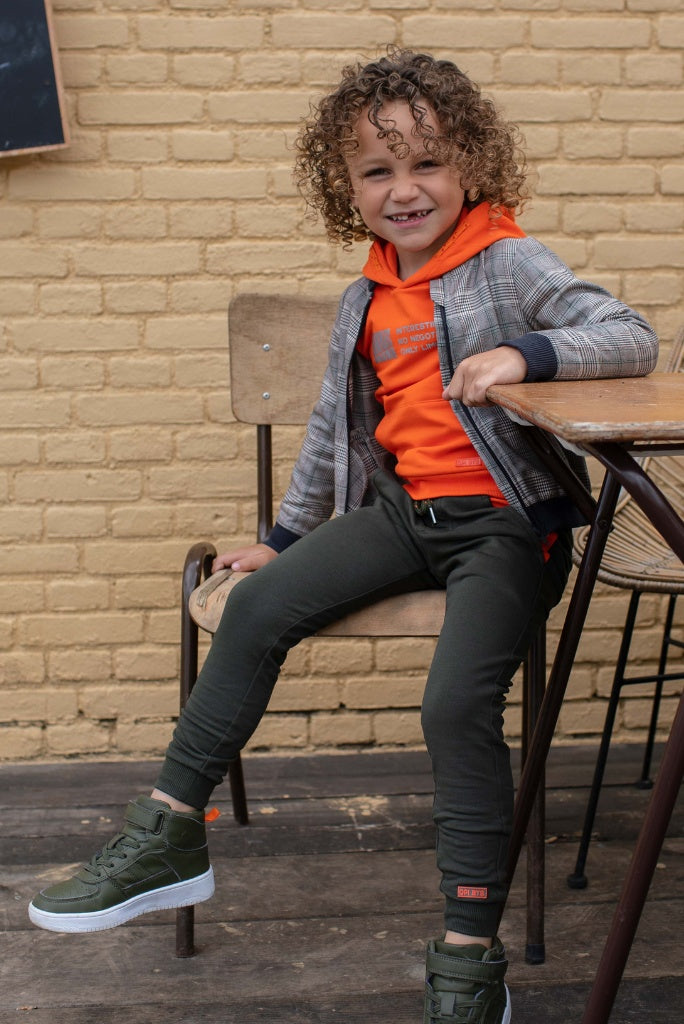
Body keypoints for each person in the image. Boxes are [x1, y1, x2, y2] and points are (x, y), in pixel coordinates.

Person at [29, 48, 658, 1024]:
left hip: (506, 530)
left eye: (427, 164)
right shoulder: (367, 294)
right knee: (254, 608)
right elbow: (333, 427)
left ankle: (468, 951)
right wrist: (283, 537)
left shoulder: (506, 258)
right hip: (407, 518)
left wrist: (521, 351)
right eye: (378, 171)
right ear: (347, 187)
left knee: (453, 706)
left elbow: (628, 334)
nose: (405, 190)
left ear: (472, 165)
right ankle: (167, 835)